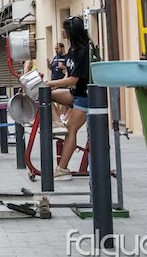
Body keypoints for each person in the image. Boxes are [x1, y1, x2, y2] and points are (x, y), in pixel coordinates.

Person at [45, 16, 90, 181]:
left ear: (71, 31)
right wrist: (53, 85)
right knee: (44, 95)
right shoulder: (72, 50)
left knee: (71, 130)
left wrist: (51, 82)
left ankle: (62, 169)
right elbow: (69, 76)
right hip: (74, 93)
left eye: (64, 28)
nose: (62, 31)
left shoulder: (83, 52)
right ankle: (57, 123)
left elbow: (73, 80)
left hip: (84, 97)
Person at [48, 42, 69, 124]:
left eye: (57, 48)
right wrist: (48, 64)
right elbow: (51, 68)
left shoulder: (67, 57)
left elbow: (70, 70)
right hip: (54, 81)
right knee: (55, 101)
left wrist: (63, 67)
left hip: (63, 82)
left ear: (62, 48)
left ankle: (63, 116)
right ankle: (59, 117)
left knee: (63, 102)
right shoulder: (55, 57)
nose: (56, 50)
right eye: (55, 49)